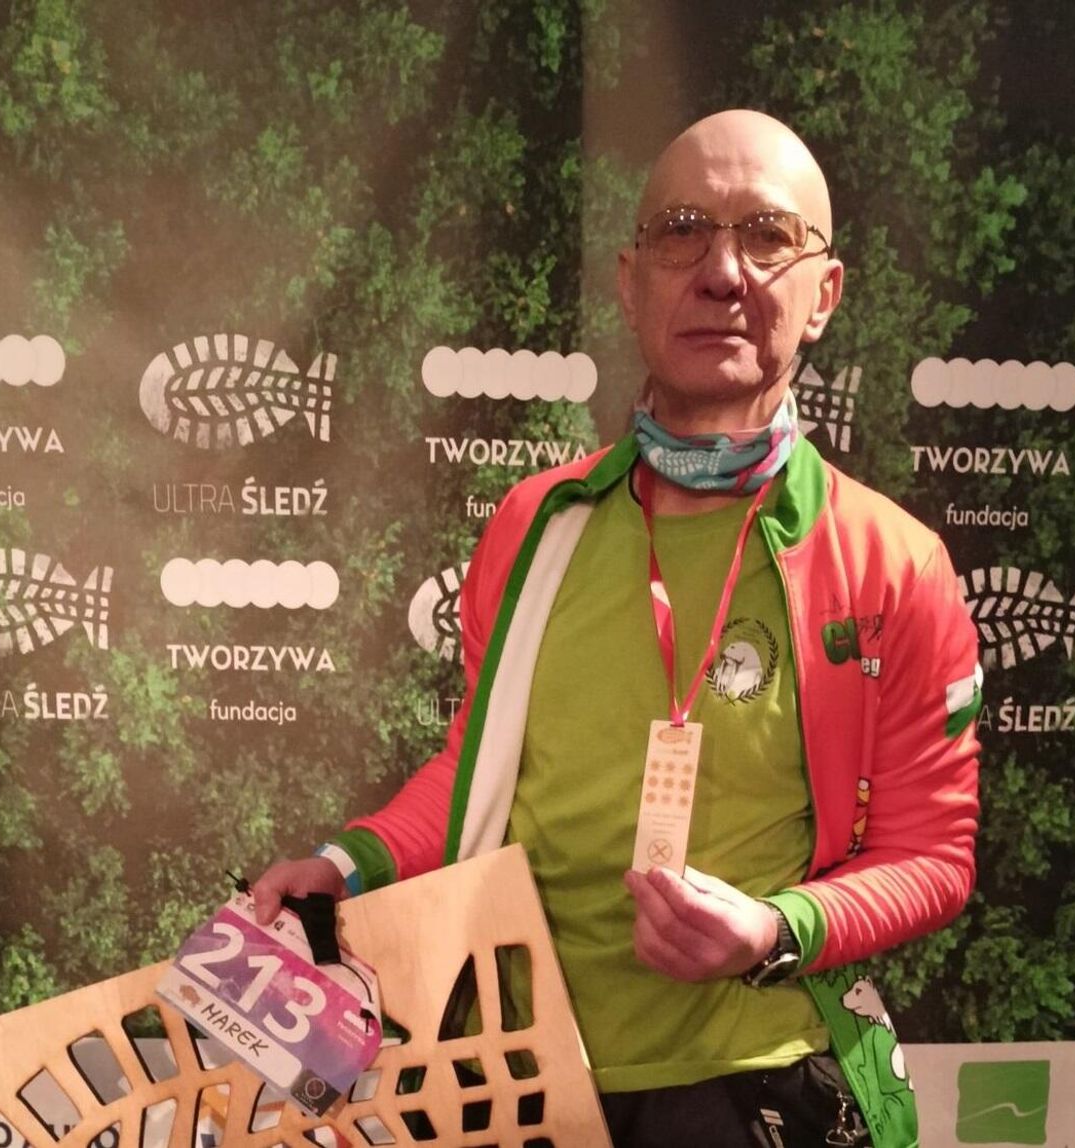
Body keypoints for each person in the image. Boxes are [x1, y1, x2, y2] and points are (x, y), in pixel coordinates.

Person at [253, 108, 982, 1148]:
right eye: (684, 232)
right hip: (515, 1071)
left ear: (824, 294)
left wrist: (777, 928)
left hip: (757, 1076)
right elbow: (479, 769)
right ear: (630, 284)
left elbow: (932, 854)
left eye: (767, 236)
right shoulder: (534, 524)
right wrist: (349, 861)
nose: (723, 272)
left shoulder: (895, 564)